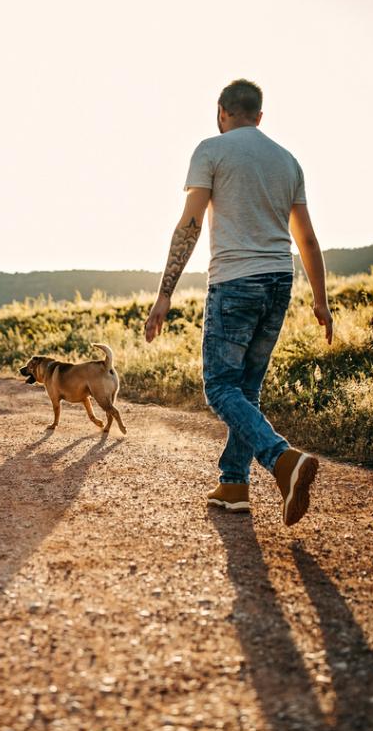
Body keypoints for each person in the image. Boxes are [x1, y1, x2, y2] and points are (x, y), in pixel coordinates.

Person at [143, 78, 333, 526]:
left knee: (220, 387)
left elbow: (189, 224)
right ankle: (233, 484)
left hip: (235, 281)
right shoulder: (287, 161)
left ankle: (281, 460)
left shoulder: (212, 149)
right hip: (279, 281)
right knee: (246, 390)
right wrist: (321, 300)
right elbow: (305, 236)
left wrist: (164, 293)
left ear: (221, 112)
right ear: (259, 116)